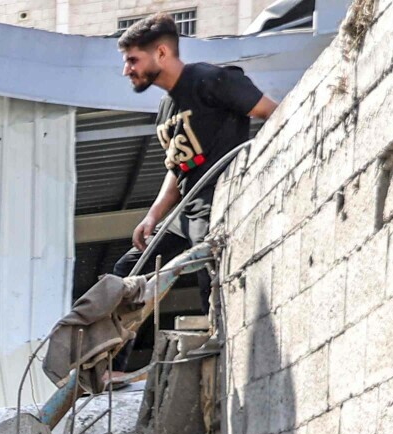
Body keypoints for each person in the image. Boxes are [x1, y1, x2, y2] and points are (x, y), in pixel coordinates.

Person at [115, 13, 276, 286]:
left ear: (161, 52)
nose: (126, 70)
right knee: (126, 271)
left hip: (217, 206)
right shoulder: (165, 110)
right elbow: (178, 167)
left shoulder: (211, 80)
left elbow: (273, 113)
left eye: (133, 60)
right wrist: (153, 215)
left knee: (211, 288)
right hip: (184, 214)